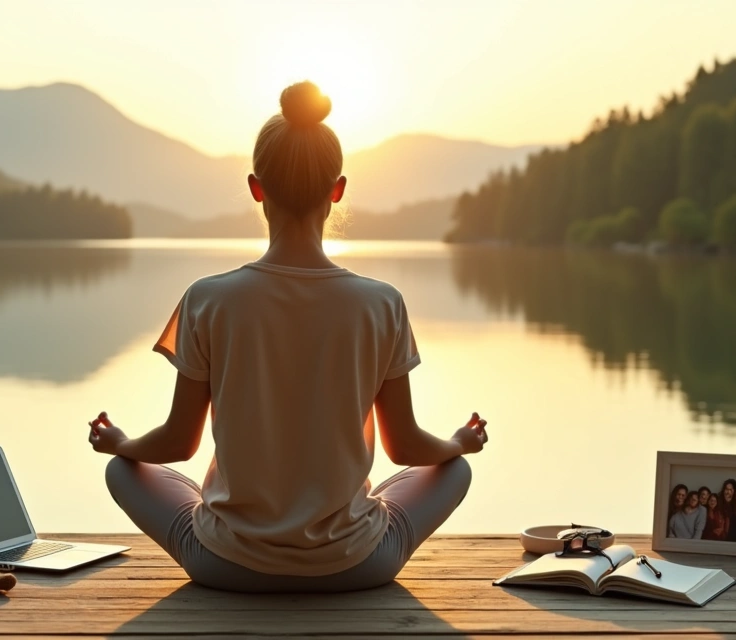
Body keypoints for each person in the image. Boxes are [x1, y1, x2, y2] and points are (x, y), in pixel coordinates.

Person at [85, 81, 487, 593]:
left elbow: (179, 443)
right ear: (337, 189)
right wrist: (459, 442)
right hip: (355, 565)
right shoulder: (381, 303)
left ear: (257, 187)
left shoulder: (208, 299)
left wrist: (122, 442)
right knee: (454, 472)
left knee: (124, 470)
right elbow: (405, 446)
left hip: (226, 565)